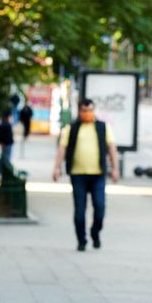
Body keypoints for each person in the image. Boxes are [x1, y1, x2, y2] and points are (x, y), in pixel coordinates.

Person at [52, 98, 121, 251]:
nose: (87, 113)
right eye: (84, 110)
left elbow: (111, 148)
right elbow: (62, 149)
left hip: (98, 175)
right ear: (79, 111)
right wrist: (57, 168)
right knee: (79, 211)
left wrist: (115, 169)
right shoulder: (72, 128)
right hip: (78, 175)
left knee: (100, 206)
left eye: (90, 110)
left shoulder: (102, 127)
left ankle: (95, 232)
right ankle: (81, 240)